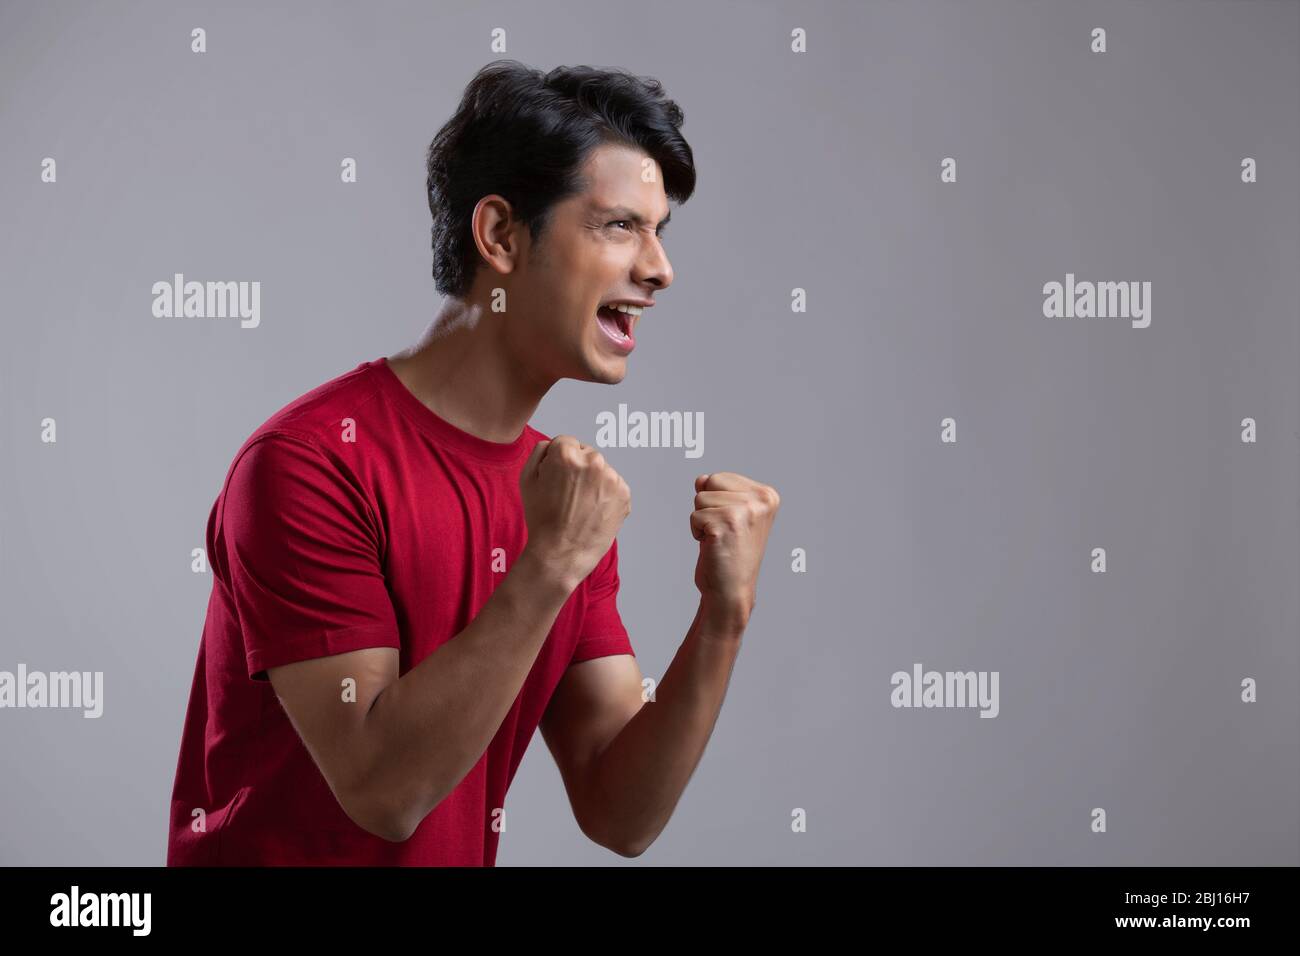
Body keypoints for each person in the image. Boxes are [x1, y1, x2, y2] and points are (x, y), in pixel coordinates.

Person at [166, 59, 779, 866]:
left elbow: (618, 809)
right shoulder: (309, 463)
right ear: (498, 235)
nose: (660, 268)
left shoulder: (563, 497)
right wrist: (550, 559)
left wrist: (722, 618)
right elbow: (383, 792)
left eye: (659, 230)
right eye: (620, 226)